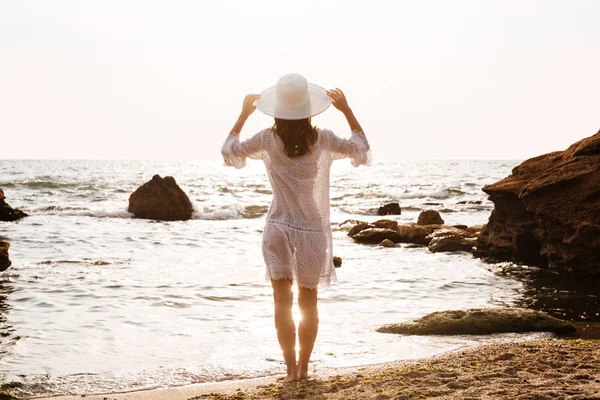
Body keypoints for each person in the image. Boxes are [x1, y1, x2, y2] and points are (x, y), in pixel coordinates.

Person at [221, 73, 370, 381]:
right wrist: (347, 110)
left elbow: (229, 151)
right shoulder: (324, 139)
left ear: (278, 109)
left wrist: (243, 115)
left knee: (281, 304)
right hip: (312, 230)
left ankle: (289, 371)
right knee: (308, 303)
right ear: (309, 109)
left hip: (277, 227)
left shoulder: (265, 139)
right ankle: (303, 369)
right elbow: (361, 148)